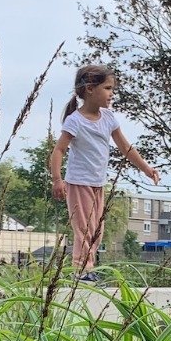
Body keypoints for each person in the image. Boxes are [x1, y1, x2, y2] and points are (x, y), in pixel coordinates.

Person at [49, 64, 160, 279]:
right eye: (108, 88)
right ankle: (81, 271)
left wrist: (146, 168)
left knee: (97, 230)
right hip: (79, 182)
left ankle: (87, 269)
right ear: (90, 88)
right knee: (84, 228)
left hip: (98, 183)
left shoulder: (108, 118)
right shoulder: (75, 121)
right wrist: (57, 180)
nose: (111, 94)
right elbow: (58, 150)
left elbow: (125, 147)